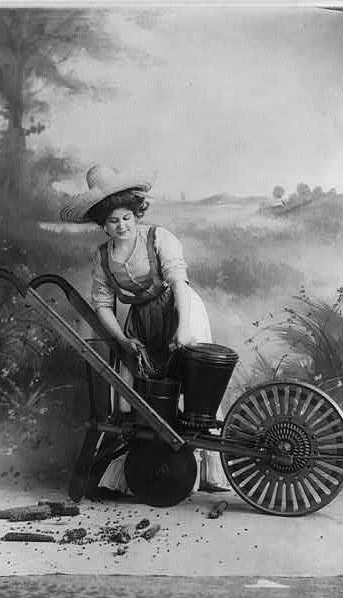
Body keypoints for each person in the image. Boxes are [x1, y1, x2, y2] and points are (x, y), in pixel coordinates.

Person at [60, 165, 229, 494]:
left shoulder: (159, 238)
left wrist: (183, 329)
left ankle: (212, 471)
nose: (121, 226)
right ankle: (145, 469)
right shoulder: (103, 258)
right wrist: (123, 340)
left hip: (179, 307)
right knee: (139, 390)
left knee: (197, 385)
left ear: (135, 213)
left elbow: (179, 282)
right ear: (103, 225)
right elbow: (103, 305)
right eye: (112, 221)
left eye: (126, 217)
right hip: (141, 322)